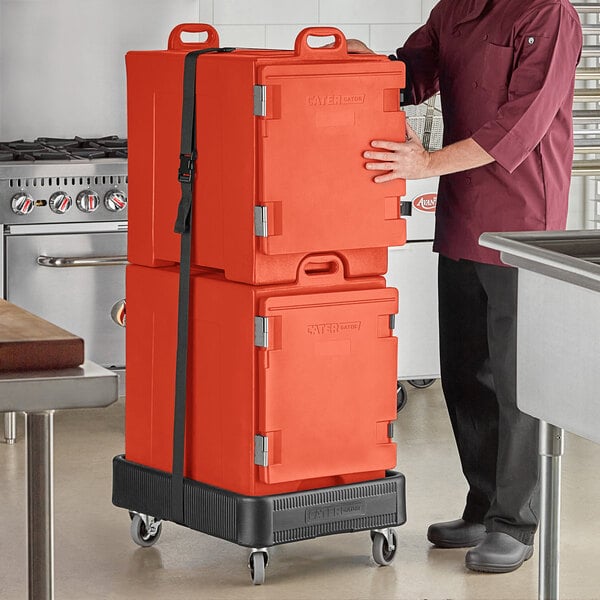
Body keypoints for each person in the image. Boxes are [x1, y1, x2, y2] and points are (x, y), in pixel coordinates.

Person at [349, 0, 582, 573]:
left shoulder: (548, 13)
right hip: (459, 218)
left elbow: (521, 123)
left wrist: (425, 164)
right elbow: (415, 73)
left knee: (516, 381)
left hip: (521, 222)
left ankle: (517, 523)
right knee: (464, 371)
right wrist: (366, 68)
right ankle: (483, 507)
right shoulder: (453, 9)